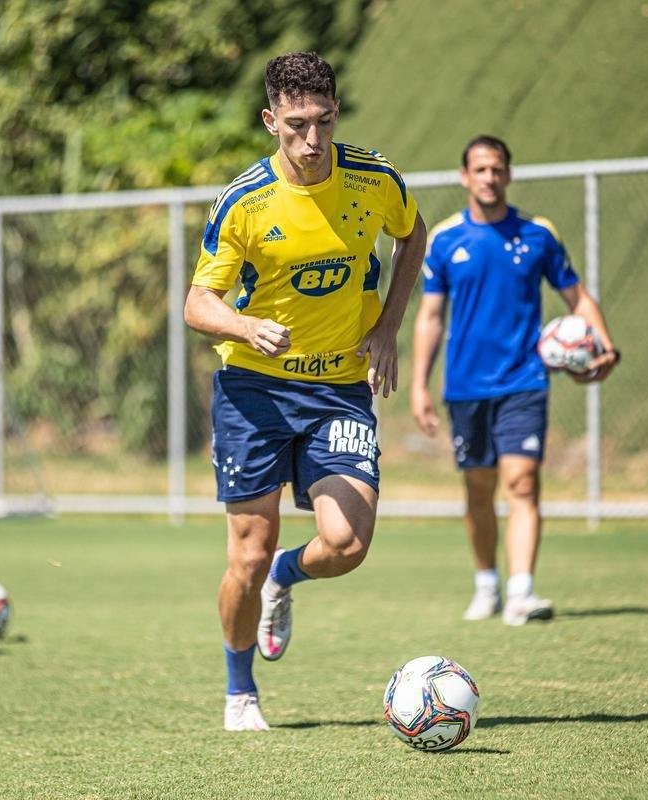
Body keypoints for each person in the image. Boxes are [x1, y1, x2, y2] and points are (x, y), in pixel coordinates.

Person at [185, 52, 426, 731]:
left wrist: (387, 327)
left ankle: (285, 578)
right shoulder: (245, 202)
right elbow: (197, 304)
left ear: (336, 114)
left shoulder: (375, 180)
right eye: (296, 125)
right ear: (271, 122)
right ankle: (240, 692)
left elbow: (414, 237)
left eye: (323, 122)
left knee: (347, 543)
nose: (313, 141)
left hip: (340, 388)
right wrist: (243, 323)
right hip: (253, 392)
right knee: (246, 553)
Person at [409, 135, 619, 627]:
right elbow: (430, 317)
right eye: (480, 169)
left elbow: (578, 299)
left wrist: (604, 345)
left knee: (522, 484)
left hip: (525, 380)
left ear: (509, 174)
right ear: (465, 177)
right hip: (465, 386)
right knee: (479, 493)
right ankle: (488, 584)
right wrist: (419, 385)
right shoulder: (444, 240)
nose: (489, 177)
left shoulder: (538, 234)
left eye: (497, 168)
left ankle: (522, 591)